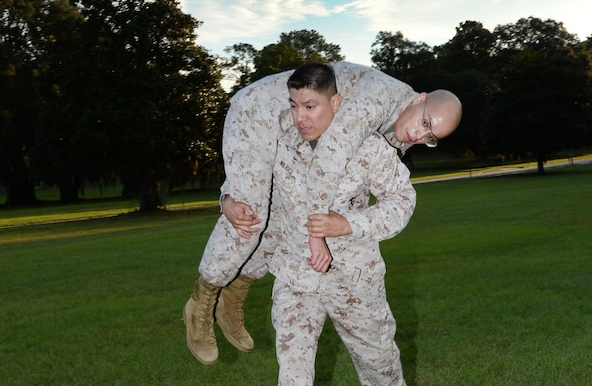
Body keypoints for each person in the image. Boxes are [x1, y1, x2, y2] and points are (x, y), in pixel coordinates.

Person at [183, 62, 462, 364]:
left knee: (279, 224)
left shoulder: (401, 131)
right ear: (419, 98)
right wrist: (316, 235)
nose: (418, 135)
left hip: (293, 131)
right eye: (424, 122)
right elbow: (331, 156)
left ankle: (233, 295)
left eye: (430, 136)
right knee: (250, 215)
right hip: (259, 116)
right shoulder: (377, 99)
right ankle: (202, 300)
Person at [266, 63, 416, 386]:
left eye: (310, 106)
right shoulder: (280, 143)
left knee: (376, 356)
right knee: (292, 360)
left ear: (336, 103)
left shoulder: (366, 147)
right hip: (295, 272)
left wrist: (346, 223)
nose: (301, 116)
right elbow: (250, 182)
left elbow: (402, 201)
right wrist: (229, 200)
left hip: (354, 274)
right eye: (294, 106)